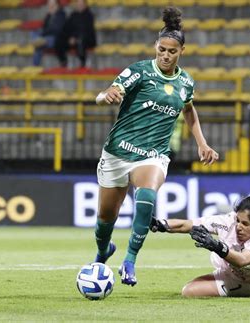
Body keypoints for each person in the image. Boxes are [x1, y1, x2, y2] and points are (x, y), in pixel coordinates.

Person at [93, 7, 219, 286]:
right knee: (105, 219)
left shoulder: (186, 82)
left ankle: (130, 260)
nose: (165, 55)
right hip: (118, 151)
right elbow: (102, 97)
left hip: (153, 155)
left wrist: (202, 143)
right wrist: (106, 95)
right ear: (156, 46)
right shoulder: (138, 71)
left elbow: (189, 110)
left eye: (172, 51)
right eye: (162, 49)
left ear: (182, 51)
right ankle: (103, 251)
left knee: (146, 196)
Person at [150, 174, 250, 297]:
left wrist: (216, 246)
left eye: (245, 224)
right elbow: (189, 225)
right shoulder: (229, 220)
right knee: (190, 287)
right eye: (238, 220)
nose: (238, 226)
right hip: (230, 272)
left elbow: (242, 260)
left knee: (189, 291)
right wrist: (160, 224)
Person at [55, 0, 96, 68]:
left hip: (86, 39)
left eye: (81, 4)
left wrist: (75, 38)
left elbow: (87, 31)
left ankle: (83, 62)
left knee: (81, 40)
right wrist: (69, 38)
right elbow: (66, 28)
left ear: (85, 5)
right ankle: (63, 61)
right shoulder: (73, 15)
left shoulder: (89, 15)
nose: (80, 5)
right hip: (72, 39)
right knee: (59, 40)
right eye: (78, 4)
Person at [30, 0, 66, 66]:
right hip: (46, 37)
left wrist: (43, 32)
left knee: (41, 42)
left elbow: (56, 30)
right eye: (49, 5)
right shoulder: (48, 16)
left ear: (57, 5)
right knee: (34, 32)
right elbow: (45, 28)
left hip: (56, 39)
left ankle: (38, 40)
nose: (50, 6)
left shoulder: (61, 15)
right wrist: (43, 32)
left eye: (53, 5)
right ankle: (38, 40)